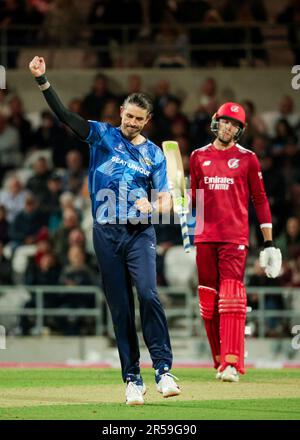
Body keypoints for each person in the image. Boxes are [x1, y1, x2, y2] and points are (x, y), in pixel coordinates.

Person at [29, 56, 180, 405]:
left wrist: (153, 206)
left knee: (148, 295)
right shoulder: (102, 134)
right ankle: (132, 379)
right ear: (122, 112)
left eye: (138, 119)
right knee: (121, 308)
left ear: (147, 121)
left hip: (140, 233)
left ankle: (164, 371)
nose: (130, 123)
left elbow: (166, 202)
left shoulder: (155, 156)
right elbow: (67, 118)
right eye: (128, 116)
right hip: (106, 232)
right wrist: (42, 81)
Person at [190, 102, 282, 382]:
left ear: (240, 130)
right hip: (205, 237)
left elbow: (260, 199)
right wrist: (180, 204)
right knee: (208, 299)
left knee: (231, 296)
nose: (229, 127)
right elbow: (194, 200)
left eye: (235, 124)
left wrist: (268, 242)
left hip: (234, 238)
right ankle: (219, 360)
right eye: (225, 121)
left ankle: (233, 363)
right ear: (216, 122)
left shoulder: (248, 159)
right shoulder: (197, 157)